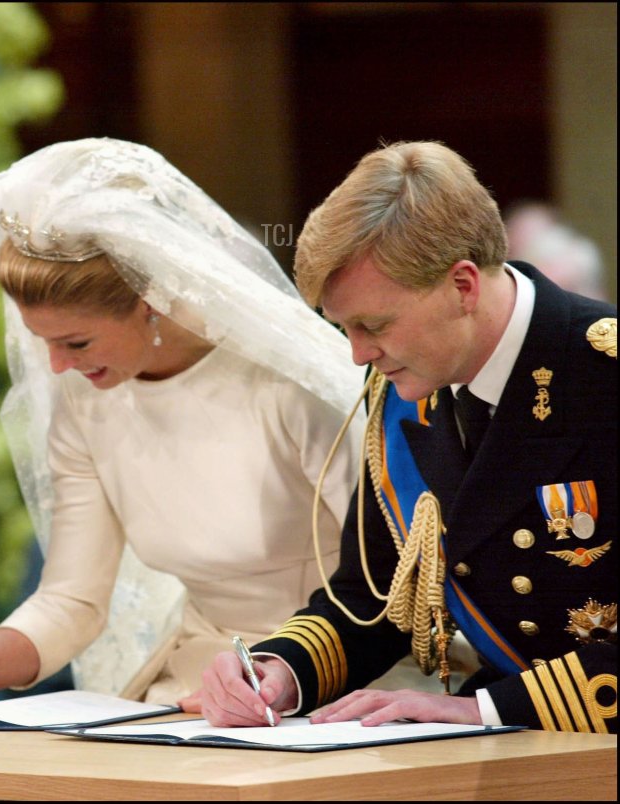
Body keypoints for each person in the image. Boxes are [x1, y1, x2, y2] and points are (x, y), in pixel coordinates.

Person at [0, 137, 372, 710]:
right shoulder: (84, 405)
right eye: (44, 345)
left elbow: (385, 587)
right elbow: (70, 603)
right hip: (193, 682)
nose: (57, 367)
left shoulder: (291, 389)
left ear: (149, 300)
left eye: (75, 341)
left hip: (345, 676)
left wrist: (284, 676)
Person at [195, 140, 617, 734]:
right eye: (344, 327)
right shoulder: (404, 390)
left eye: (374, 325)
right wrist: (279, 672)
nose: (357, 353)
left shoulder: (603, 373)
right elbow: (373, 596)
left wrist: (482, 709)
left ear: (463, 286)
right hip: (497, 746)